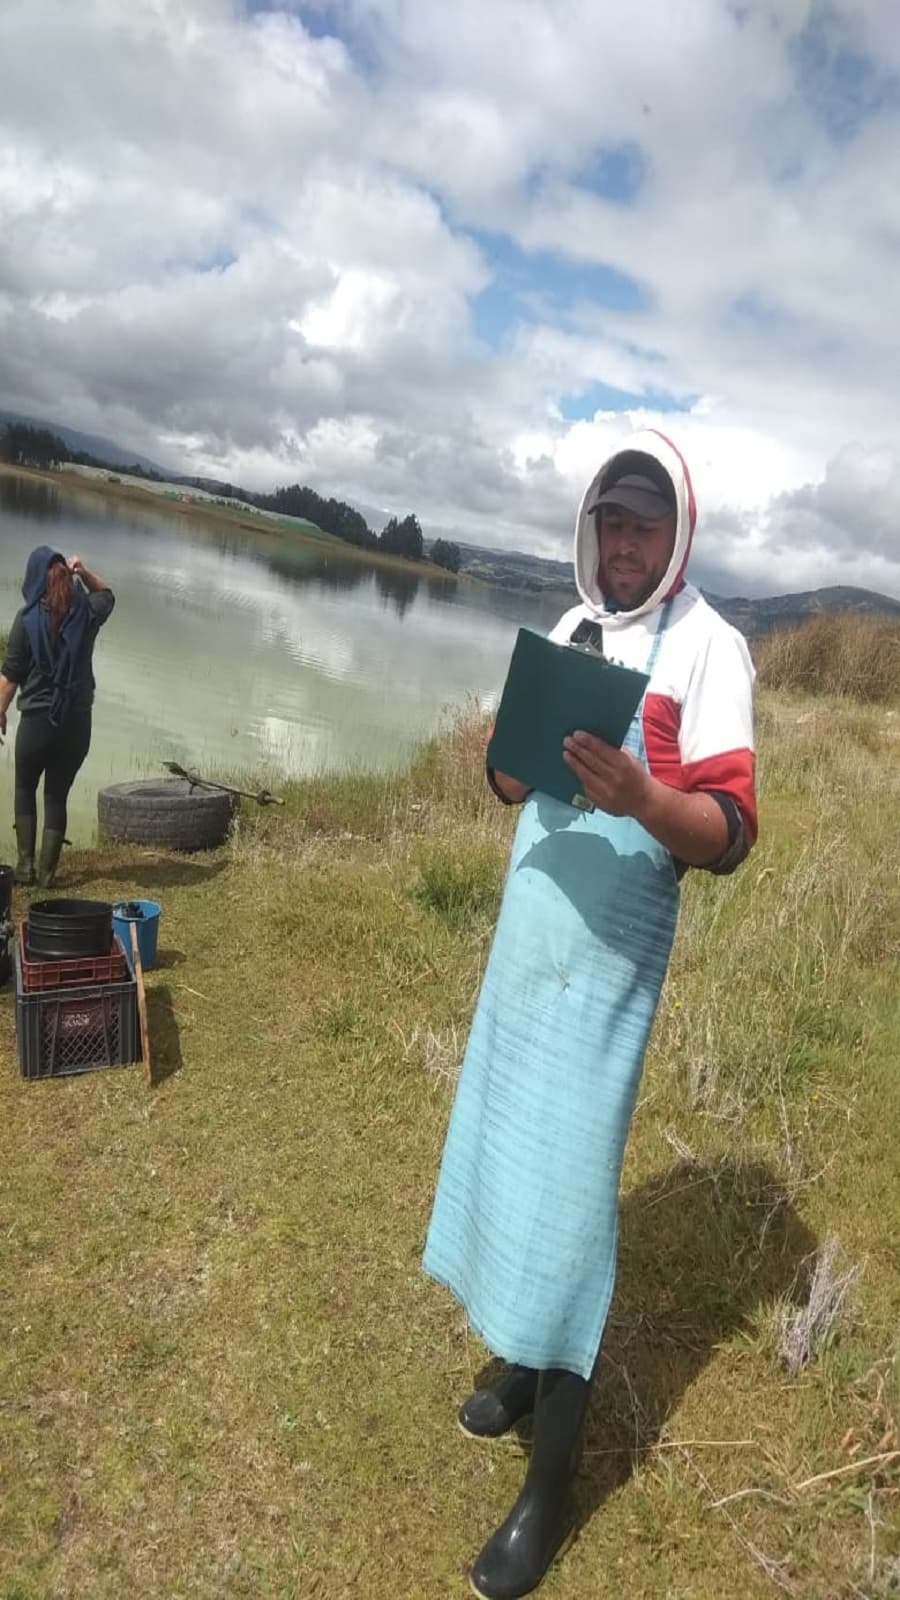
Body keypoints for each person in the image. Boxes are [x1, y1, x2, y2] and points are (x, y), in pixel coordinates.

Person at [423, 431, 757, 1600]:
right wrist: (512, 769)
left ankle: (546, 1496)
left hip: (609, 962)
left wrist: (645, 794)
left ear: (678, 537)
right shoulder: (569, 633)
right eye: (610, 525)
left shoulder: (714, 649)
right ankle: (519, 1358)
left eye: (644, 527)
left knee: (567, 1209)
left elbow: (731, 834)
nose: (624, 545)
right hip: (528, 949)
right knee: (511, 1167)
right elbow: (505, 779)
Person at [0, 546, 115, 888]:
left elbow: (10, 675)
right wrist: (84, 571)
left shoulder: (26, 619)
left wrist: (0, 710)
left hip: (36, 724)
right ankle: (48, 875)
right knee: (56, 797)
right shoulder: (88, 614)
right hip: (77, 725)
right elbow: (107, 594)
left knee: (24, 788)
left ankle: (24, 869)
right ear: (67, 576)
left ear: (35, 578)